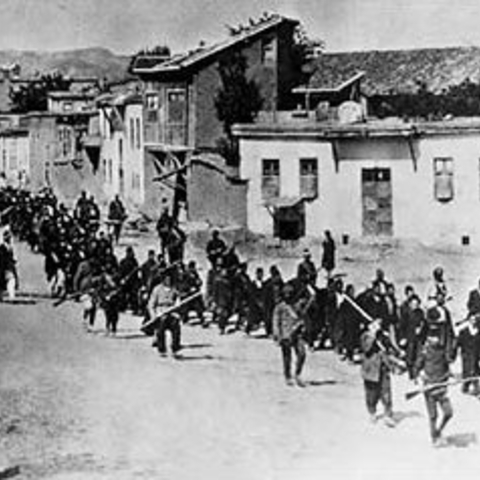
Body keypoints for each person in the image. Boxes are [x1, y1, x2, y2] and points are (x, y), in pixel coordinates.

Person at [413, 307, 456, 447]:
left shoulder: (443, 347)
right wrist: (418, 375)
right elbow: (417, 365)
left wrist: (450, 374)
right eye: (431, 336)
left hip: (441, 384)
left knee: (448, 412)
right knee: (433, 415)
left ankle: (438, 430)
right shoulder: (425, 349)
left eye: (436, 336)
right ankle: (434, 437)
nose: (434, 338)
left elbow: (447, 361)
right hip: (429, 384)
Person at [272, 282, 315, 387]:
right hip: (285, 335)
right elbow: (275, 321)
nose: (288, 295)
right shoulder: (280, 307)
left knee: (302, 354)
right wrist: (277, 334)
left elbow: (309, 302)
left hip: (297, 333)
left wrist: (309, 289)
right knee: (287, 358)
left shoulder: (297, 305)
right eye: (286, 293)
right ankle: (287, 376)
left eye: (290, 293)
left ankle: (297, 374)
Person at [360, 317, 396, 427]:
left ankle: (388, 415)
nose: (378, 326)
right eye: (375, 324)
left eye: (379, 324)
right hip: (371, 368)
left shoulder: (383, 336)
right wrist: (372, 334)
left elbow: (389, 348)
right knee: (371, 393)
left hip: (383, 367)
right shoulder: (365, 336)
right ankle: (372, 412)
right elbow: (366, 348)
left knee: (386, 392)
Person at [147, 272, 181, 357]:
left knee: (176, 326)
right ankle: (162, 349)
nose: (168, 281)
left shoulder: (174, 290)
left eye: (169, 279)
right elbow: (151, 305)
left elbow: (178, 300)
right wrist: (154, 316)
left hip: (172, 312)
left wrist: (177, 306)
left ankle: (175, 349)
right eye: (166, 279)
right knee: (160, 328)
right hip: (160, 312)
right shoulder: (157, 289)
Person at [455, 315, 480, 396]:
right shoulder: (464, 331)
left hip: (476, 353)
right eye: (472, 320)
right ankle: (465, 386)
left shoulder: (478, 331)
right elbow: (458, 342)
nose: (474, 322)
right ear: (469, 321)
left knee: (475, 368)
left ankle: (476, 387)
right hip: (466, 353)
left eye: (475, 320)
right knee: (466, 369)